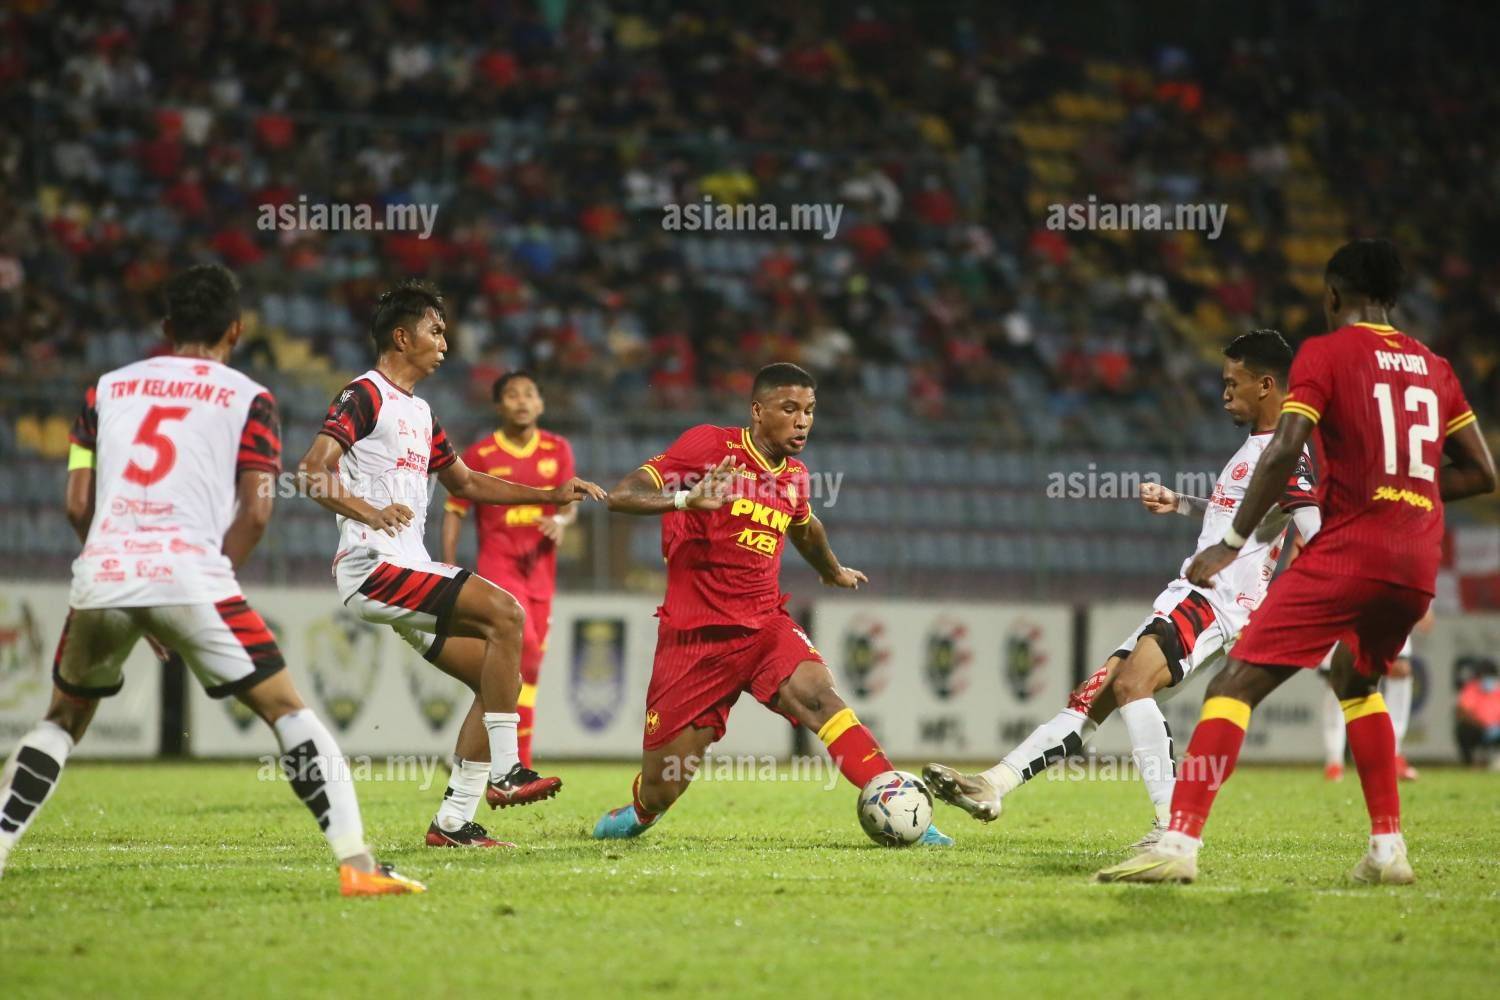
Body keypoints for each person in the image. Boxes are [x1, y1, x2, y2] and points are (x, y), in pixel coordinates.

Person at [0, 265, 422, 895]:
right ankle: (357, 865)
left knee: (62, 718)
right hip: (191, 572)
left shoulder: (104, 390)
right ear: (236, 329)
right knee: (288, 711)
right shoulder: (248, 398)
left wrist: (119, 569)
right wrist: (203, 585)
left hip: (104, 572)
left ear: (167, 326)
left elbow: (76, 502)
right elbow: (257, 511)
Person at [1098, 239, 1496, 886]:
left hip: (1351, 548)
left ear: (1333, 294)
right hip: (1417, 558)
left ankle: (1178, 843)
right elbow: (1482, 474)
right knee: (1358, 681)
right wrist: (1402, 489)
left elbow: (1283, 452)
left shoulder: (1326, 354)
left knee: (1234, 687)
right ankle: (1388, 850)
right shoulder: (1436, 367)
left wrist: (1231, 541)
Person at [925, 331, 1319, 847]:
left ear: (1266, 385)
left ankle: (1173, 825)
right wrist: (1181, 502)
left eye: (1233, 383)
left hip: (1215, 602)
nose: (1224, 394)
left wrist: (1313, 592)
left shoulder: (1284, 453)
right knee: (1095, 696)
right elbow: (1247, 515)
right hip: (1193, 596)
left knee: (1133, 685)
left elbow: (1313, 527)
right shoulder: (1261, 448)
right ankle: (994, 784)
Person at [296, 280, 606, 849]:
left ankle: (454, 822)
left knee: (499, 676)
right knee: (508, 614)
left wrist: (549, 494)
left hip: (404, 566)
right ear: (401, 336)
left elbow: (466, 483)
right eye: (435, 330)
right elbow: (312, 471)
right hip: (373, 565)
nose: (445, 342)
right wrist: (368, 510)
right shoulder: (365, 394)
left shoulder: (420, 412)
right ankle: (507, 772)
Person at [590, 362, 951, 845]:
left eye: (810, 411)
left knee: (822, 698)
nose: (802, 421)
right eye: (789, 409)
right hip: (695, 641)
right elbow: (622, 495)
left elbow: (806, 528)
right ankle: (640, 810)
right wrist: (685, 501)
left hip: (764, 628)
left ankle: (906, 812)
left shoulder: (795, 476)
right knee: (663, 787)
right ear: (758, 411)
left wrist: (831, 570)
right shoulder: (709, 447)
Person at [441, 371, 574, 768]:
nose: (522, 401)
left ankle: (483, 758)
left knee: (524, 671)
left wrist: (561, 521)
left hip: (541, 572)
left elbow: (568, 503)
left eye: (529, 394)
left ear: (541, 404)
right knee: (525, 650)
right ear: (498, 406)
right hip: (499, 567)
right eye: (512, 395)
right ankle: (515, 764)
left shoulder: (557, 449)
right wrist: (447, 564)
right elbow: (455, 510)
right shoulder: (481, 454)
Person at [1319, 610, 1432, 782]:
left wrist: (1426, 606)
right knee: (1338, 678)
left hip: (1387, 605)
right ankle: (1334, 760)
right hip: (1345, 604)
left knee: (1400, 670)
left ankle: (1393, 754)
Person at [1455, 661, 1500, 767]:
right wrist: (1480, 724)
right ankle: (1469, 764)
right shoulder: (1472, 688)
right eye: (1484, 675)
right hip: (1478, 728)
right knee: (1463, 729)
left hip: (1497, 728)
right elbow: (1463, 711)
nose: (1487, 679)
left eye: (1490, 675)